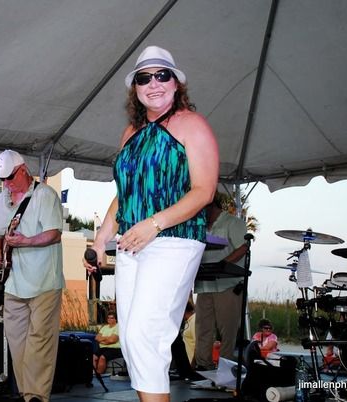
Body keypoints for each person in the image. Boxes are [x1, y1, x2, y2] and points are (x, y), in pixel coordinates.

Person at [83, 45, 219, 402]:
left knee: (146, 335)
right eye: (144, 78)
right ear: (136, 88)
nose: (153, 83)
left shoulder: (192, 124)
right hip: (132, 242)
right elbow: (124, 194)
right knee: (130, 340)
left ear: (176, 83)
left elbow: (204, 191)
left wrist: (154, 224)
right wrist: (101, 240)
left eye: (162, 75)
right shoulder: (131, 132)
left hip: (175, 239)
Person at [0, 149, 64, 402]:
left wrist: (26, 241)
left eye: (10, 177)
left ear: (23, 171)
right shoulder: (1, 200)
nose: (6, 183)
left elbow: (54, 234)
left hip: (44, 282)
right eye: (2, 179)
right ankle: (27, 394)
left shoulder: (45, 195)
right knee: (17, 342)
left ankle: (35, 397)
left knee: (40, 341)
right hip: (13, 283)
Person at [194, 193, 247, 370]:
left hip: (227, 284)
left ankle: (226, 368)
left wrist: (222, 265)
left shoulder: (232, 222)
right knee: (203, 328)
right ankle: (203, 366)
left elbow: (244, 247)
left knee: (228, 330)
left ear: (210, 205)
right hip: (204, 283)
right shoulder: (199, 226)